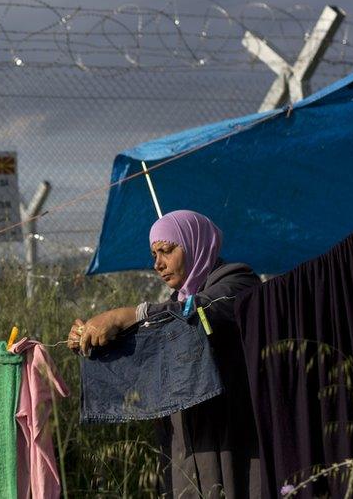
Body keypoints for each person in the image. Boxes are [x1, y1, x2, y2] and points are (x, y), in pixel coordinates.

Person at [67, 209, 262, 498]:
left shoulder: (237, 282)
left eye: (167, 250)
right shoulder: (172, 305)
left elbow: (198, 313)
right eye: (154, 253)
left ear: (196, 245)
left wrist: (127, 315)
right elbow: (146, 352)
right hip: (187, 445)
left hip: (233, 439)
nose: (158, 264)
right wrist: (95, 341)